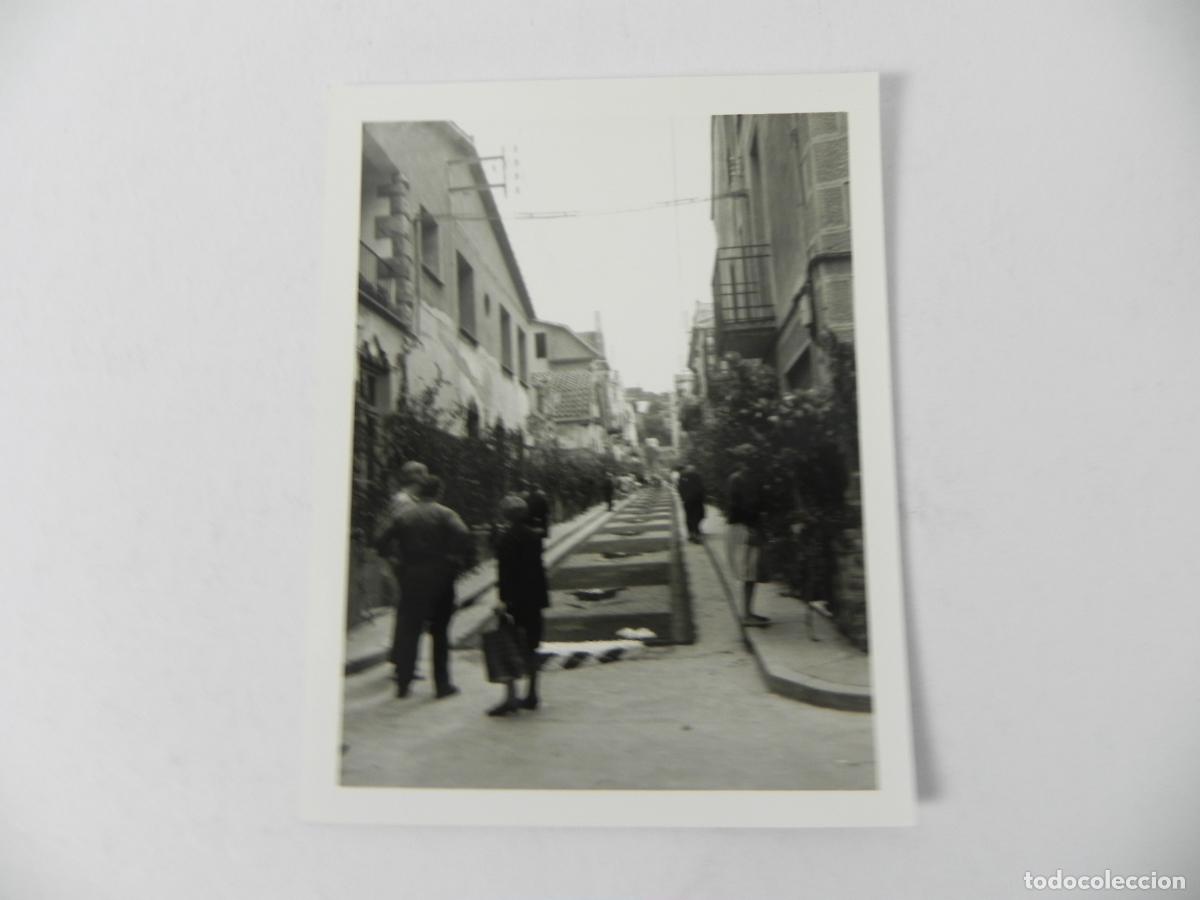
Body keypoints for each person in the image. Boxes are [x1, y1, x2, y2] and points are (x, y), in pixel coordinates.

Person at [376, 475, 475, 699]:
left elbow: (381, 540)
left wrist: (394, 559)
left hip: (412, 576)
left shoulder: (404, 514)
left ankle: (403, 684)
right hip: (440, 576)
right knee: (440, 633)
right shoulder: (446, 514)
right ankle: (442, 685)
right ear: (439, 492)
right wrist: (454, 559)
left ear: (418, 492)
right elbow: (463, 535)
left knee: (410, 630)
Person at [487, 495, 549, 716]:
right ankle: (532, 693)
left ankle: (511, 696)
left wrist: (503, 600)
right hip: (535, 598)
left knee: (508, 644)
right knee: (532, 645)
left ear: (505, 515)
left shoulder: (506, 539)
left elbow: (506, 574)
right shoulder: (535, 536)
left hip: (515, 600)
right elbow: (538, 570)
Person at [725, 447, 770, 627]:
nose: (749, 464)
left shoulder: (746, 479)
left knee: (751, 572)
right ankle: (746, 614)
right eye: (747, 460)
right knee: (748, 572)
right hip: (744, 528)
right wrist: (751, 528)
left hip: (749, 526)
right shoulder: (738, 480)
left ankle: (748, 612)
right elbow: (737, 507)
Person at [677, 465, 706, 543]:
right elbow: (702, 487)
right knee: (697, 516)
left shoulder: (682, 477)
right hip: (697, 500)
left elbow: (679, 488)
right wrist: (703, 499)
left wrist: (683, 498)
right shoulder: (697, 475)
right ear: (693, 469)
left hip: (687, 501)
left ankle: (691, 534)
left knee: (689, 516)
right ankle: (696, 533)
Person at [520, 478, 551, 543]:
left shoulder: (528, 498)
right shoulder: (542, 498)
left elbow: (525, 508)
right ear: (538, 489)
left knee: (530, 533)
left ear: (531, 489)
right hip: (541, 518)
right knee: (541, 533)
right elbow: (547, 510)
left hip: (531, 519)